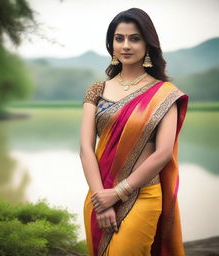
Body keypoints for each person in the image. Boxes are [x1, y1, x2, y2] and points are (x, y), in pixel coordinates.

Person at [79, 7, 188, 256]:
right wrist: (101, 200)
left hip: (143, 194)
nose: (126, 45)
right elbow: (86, 148)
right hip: (99, 193)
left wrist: (118, 193)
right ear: (112, 44)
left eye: (134, 38)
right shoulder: (97, 89)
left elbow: (162, 153)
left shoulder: (164, 94)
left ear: (148, 44)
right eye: (119, 38)